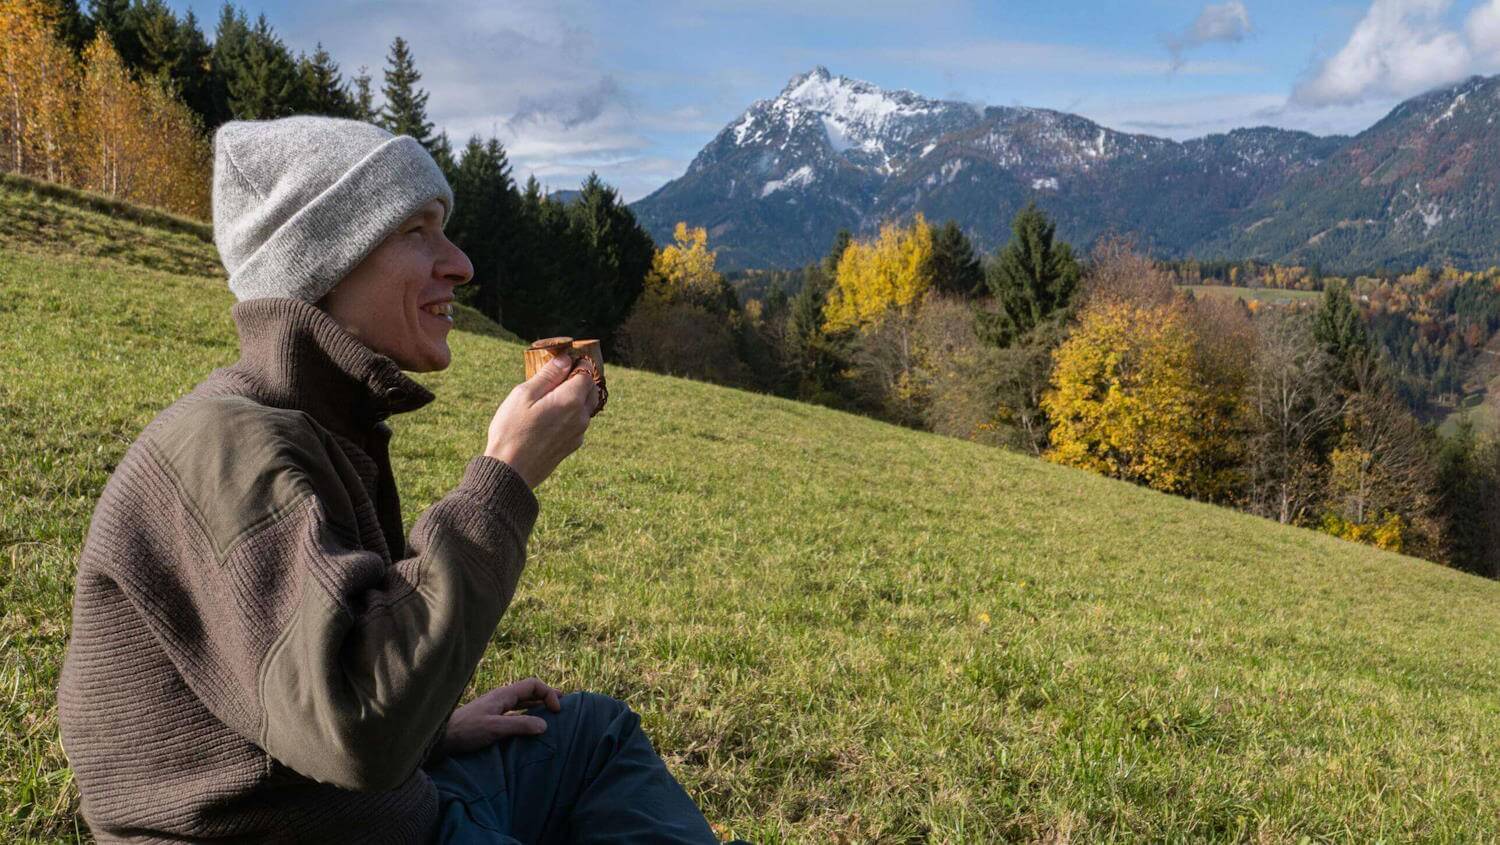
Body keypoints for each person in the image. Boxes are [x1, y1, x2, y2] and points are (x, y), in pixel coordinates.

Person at [57, 116, 720, 843]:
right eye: (417, 230)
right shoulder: (224, 449)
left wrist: (433, 732)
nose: (460, 263)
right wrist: (507, 473)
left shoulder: (313, 421)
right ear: (324, 260)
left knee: (592, 730)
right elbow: (358, 722)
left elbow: (297, 683)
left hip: (378, 804)